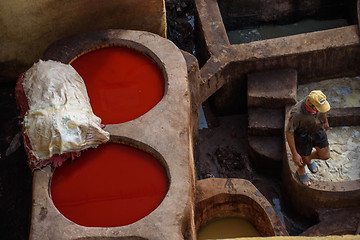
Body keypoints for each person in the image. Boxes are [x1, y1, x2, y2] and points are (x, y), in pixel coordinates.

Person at [286, 90, 331, 186]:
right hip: (302, 135)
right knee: (302, 157)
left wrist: (325, 121)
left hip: (317, 129)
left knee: (325, 155)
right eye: (318, 108)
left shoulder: (317, 99)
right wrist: (295, 154)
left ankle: (308, 159)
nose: (320, 109)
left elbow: (322, 110)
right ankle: (301, 169)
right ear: (309, 102)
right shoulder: (297, 114)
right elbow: (289, 133)